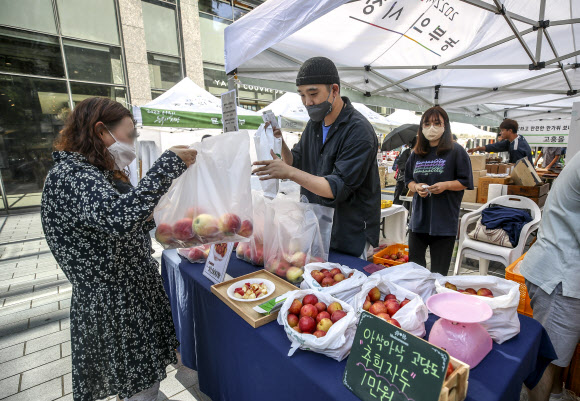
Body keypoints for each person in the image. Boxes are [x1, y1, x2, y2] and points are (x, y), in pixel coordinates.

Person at [40, 97, 197, 401]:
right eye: (129, 134)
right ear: (101, 131)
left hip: (126, 297)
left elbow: (110, 221)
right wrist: (168, 166)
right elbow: (119, 218)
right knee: (140, 387)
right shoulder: (73, 176)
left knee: (140, 384)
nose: (133, 143)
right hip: (116, 306)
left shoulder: (88, 173)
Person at [252, 56, 380, 258]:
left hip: (348, 235)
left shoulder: (359, 131)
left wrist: (289, 173)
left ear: (334, 90)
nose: (307, 102)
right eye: (302, 95)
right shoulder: (315, 125)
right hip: (316, 228)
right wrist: (280, 142)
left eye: (313, 94)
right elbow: (295, 161)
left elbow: (335, 188)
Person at [520, 151, 580, 401]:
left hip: (559, 271)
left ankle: (556, 394)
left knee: (555, 355)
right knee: (547, 359)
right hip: (560, 276)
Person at [405, 106, 473, 275]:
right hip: (419, 221)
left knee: (439, 273)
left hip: (444, 222)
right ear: (421, 127)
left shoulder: (456, 151)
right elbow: (408, 180)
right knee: (415, 271)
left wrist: (446, 185)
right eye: (427, 124)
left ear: (445, 125)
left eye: (437, 123)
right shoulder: (416, 153)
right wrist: (416, 187)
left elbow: (465, 181)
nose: (431, 128)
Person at [467, 119, 532, 163]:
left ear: (510, 131)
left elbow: (517, 168)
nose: (500, 133)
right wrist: (478, 148)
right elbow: (496, 146)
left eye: (502, 130)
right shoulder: (517, 138)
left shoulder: (516, 147)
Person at [393, 137, 417, 209]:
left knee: (409, 201)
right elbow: (400, 164)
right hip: (402, 179)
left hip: (414, 181)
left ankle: (407, 213)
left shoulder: (421, 153)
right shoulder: (407, 152)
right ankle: (396, 212)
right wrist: (410, 168)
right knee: (398, 200)